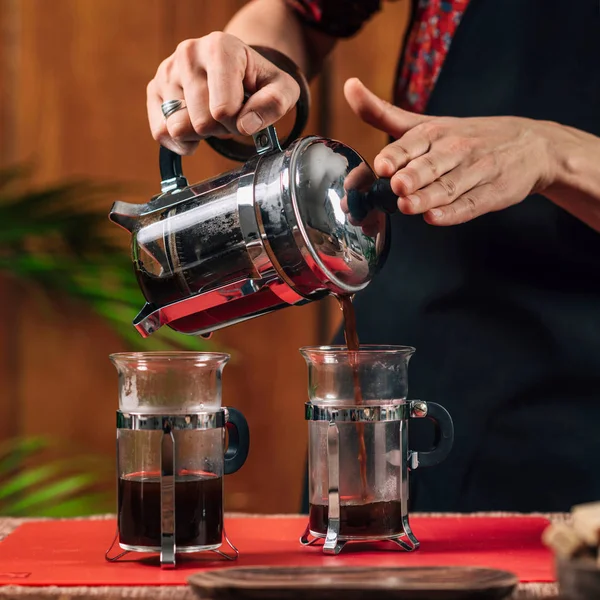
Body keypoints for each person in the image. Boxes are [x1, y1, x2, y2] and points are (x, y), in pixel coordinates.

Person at [146, 0, 600, 513]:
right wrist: (247, 70)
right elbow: (299, 14)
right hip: (391, 373)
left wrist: (552, 152)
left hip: (566, 410)